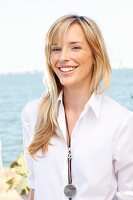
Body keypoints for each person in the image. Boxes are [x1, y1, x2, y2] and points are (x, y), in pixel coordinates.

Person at [22, 14, 133, 200]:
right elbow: (35, 186)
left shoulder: (121, 122)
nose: (63, 57)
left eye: (75, 48)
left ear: (95, 55)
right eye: (55, 49)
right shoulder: (33, 114)